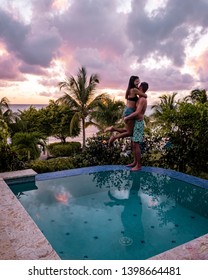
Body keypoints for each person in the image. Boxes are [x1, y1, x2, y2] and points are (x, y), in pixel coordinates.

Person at [106, 76, 147, 145]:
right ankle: (114, 138)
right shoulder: (134, 90)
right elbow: (144, 95)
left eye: (138, 82)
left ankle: (113, 128)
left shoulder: (129, 90)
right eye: (136, 81)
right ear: (132, 81)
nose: (138, 83)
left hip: (127, 110)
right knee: (130, 133)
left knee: (128, 130)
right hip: (130, 111)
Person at [124, 82, 149, 171]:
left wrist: (127, 117)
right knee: (133, 144)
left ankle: (138, 165)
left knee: (136, 144)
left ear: (141, 87)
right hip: (136, 122)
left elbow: (138, 112)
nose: (137, 87)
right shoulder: (139, 98)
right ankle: (135, 162)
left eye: (139, 86)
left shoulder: (142, 100)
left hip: (139, 123)